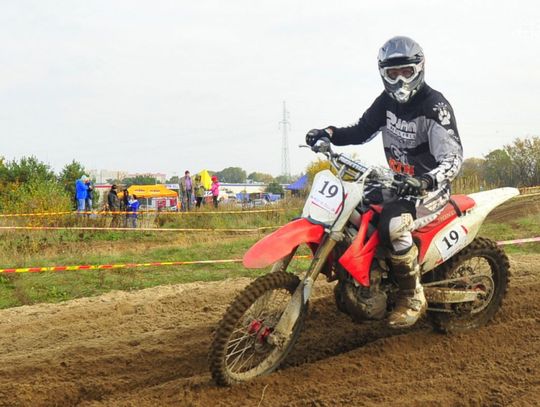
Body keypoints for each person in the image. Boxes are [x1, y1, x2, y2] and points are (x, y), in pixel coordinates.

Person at [305, 36, 463, 329]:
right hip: (397, 181)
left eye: (406, 71)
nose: (400, 80)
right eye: (393, 73)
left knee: (393, 224)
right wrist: (329, 133)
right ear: (383, 73)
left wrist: (426, 180)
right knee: (353, 208)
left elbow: (453, 158)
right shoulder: (386, 102)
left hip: (430, 188)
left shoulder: (435, 106)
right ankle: (369, 277)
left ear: (419, 68)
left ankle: (412, 295)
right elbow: (361, 130)